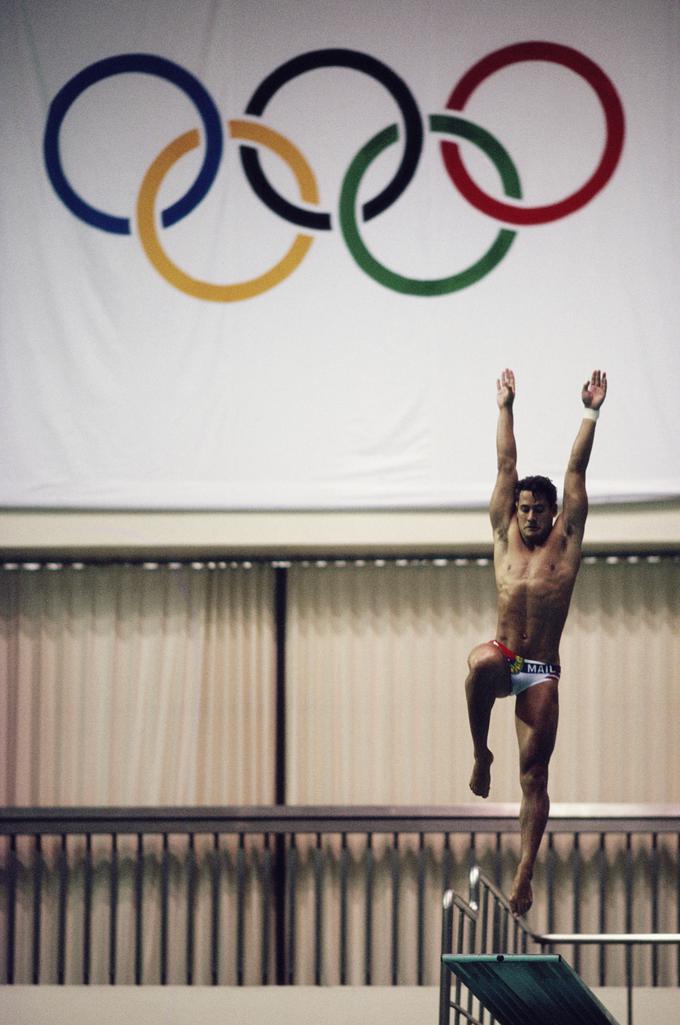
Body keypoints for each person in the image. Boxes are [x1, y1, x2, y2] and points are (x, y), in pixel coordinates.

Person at [465, 367, 607, 915]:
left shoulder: (566, 540)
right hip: (505, 658)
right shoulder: (503, 535)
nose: (527, 517)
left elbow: (576, 468)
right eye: (521, 509)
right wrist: (505, 407)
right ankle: (481, 757)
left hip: (540, 668)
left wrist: (590, 411)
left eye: (536, 510)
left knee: (535, 773)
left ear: (553, 514)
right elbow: (505, 464)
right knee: (478, 665)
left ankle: (524, 874)